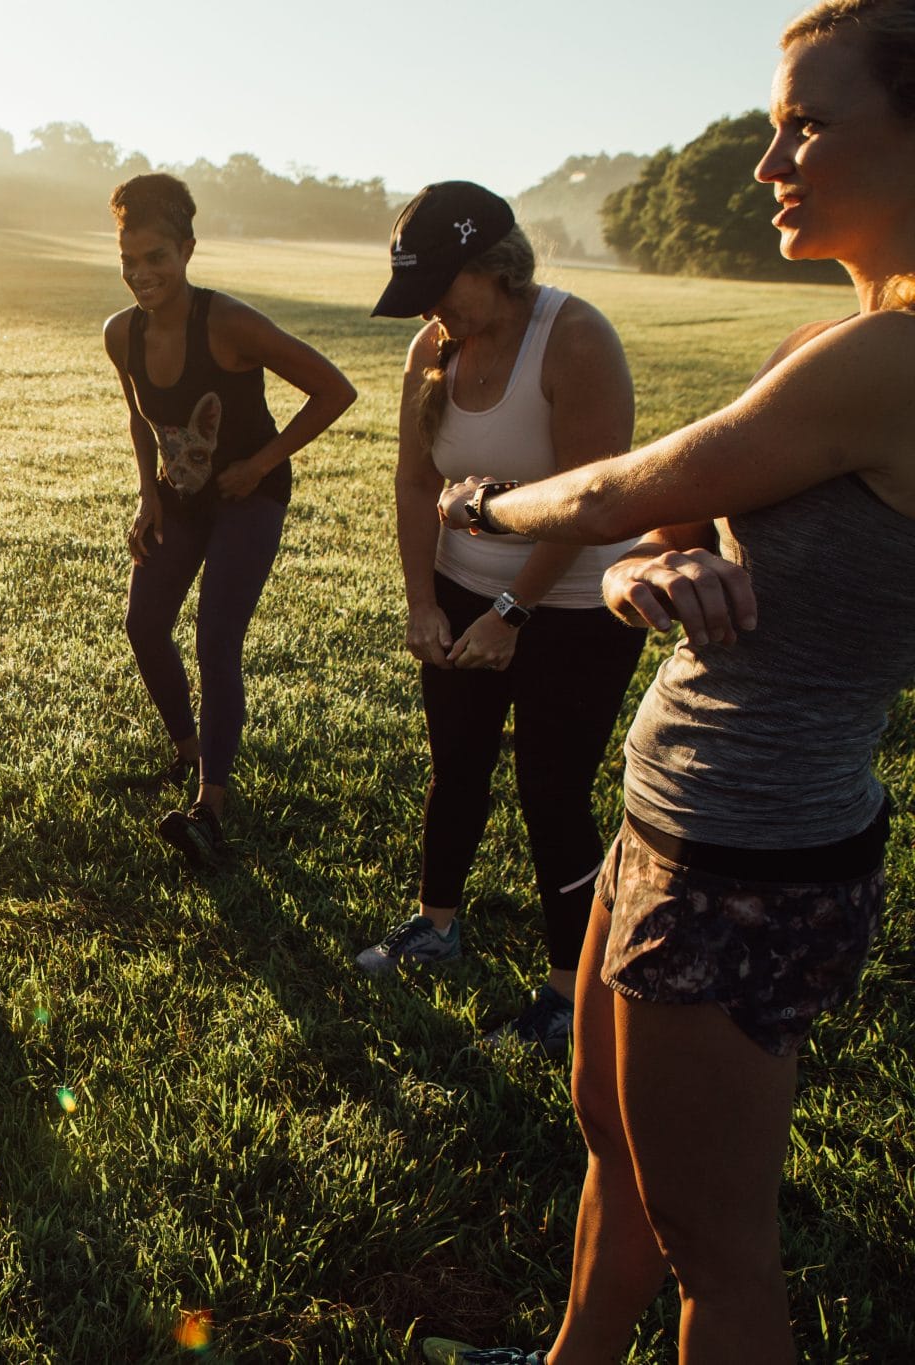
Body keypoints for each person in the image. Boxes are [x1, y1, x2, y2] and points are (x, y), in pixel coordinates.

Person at [421, 3, 915, 1359]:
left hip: (745, 849)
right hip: (679, 817)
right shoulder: (847, 343)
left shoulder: (896, 358)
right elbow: (674, 534)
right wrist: (648, 579)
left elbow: (631, 486)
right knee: (609, 1141)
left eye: (808, 124)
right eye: (772, 128)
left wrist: (491, 502)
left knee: (720, 1251)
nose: (772, 164)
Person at [355, 182, 647, 1054]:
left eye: (445, 287)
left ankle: (569, 992)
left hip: (574, 605)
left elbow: (595, 502)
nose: (434, 311)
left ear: (497, 267)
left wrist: (512, 613)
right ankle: (435, 925)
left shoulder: (576, 337)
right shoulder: (431, 348)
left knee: (552, 791)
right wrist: (422, 601)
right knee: (458, 766)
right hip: (461, 592)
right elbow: (414, 483)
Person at [103, 173, 357, 866]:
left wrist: (260, 462)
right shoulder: (119, 333)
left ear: (187, 249)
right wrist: (147, 494)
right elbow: (138, 415)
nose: (141, 274)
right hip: (179, 495)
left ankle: (209, 807)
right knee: (144, 623)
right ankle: (189, 750)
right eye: (128, 261)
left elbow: (334, 389)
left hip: (251, 495)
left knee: (217, 638)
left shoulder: (228, 323)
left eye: (156, 257)